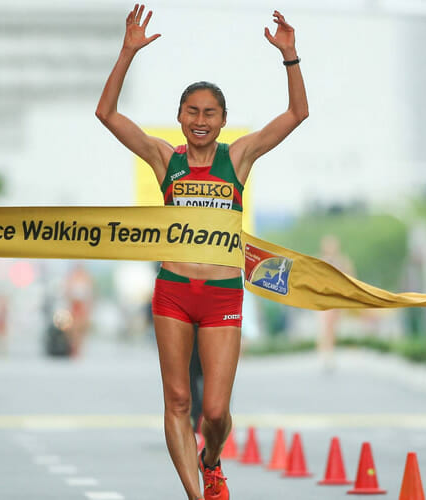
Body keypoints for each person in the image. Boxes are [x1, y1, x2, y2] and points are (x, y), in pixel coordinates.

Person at [95, 5, 308, 500]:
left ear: (223, 120)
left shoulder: (239, 156)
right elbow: (105, 114)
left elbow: (297, 115)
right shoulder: (162, 158)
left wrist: (290, 57)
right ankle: (197, 494)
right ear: (179, 118)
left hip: (222, 294)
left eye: (209, 113)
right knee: (176, 400)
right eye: (191, 112)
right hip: (172, 292)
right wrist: (127, 52)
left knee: (214, 412)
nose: (200, 120)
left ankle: (211, 460)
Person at [318, 235, 355, 371]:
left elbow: (350, 277)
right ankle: (325, 354)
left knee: (333, 328)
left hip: (337, 299)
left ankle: (330, 352)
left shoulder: (342, 261)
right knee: (325, 327)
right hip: (325, 300)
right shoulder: (320, 262)